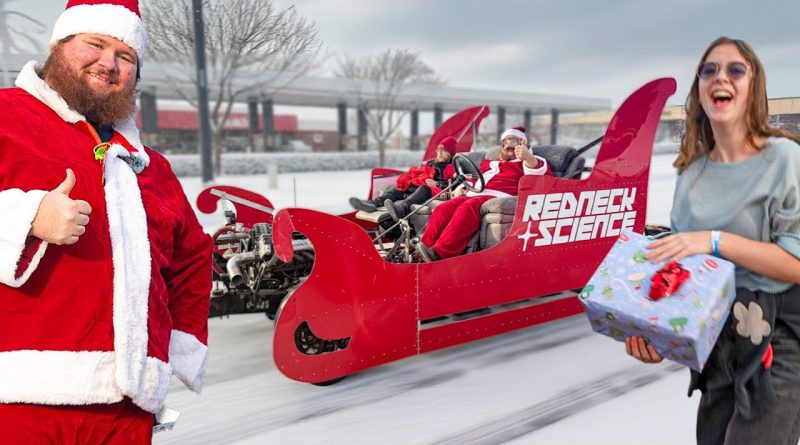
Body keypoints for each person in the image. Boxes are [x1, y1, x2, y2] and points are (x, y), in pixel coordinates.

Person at [0, 1, 212, 442]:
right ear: (59, 46)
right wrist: (25, 216)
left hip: (127, 409)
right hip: (20, 402)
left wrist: (168, 351)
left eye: (126, 56)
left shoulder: (151, 166)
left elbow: (192, 258)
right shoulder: (7, 117)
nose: (109, 64)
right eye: (95, 44)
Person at [625, 37, 800, 445]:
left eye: (735, 69)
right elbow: (684, 275)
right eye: (710, 70)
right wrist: (656, 335)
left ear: (753, 86)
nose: (721, 76)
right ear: (700, 90)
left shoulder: (785, 159)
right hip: (716, 347)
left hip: (777, 338)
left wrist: (714, 240)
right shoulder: (690, 176)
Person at [416, 127, 550, 262]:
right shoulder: (491, 163)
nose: (509, 147)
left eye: (514, 142)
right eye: (505, 143)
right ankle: (424, 250)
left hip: (500, 196)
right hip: (476, 193)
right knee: (442, 209)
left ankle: (441, 253)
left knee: (468, 206)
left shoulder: (529, 160)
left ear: (523, 143)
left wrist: (528, 157)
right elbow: (476, 179)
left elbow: (540, 174)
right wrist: (463, 188)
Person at [349, 136, 457, 213]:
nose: (440, 152)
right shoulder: (430, 162)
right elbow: (418, 173)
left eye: (444, 150)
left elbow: (456, 184)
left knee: (424, 188)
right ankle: (372, 204)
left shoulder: (452, 165)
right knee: (398, 187)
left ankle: (401, 208)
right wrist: (409, 178)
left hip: (430, 191)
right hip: (414, 189)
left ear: (451, 153)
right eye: (439, 149)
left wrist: (437, 183)